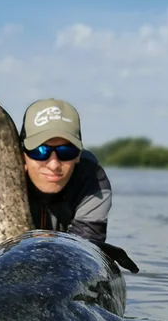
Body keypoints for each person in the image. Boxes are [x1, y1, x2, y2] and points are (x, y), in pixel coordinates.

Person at [18, 98, 113, 244]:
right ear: (22, 154)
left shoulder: (93, 181)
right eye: (40, 151)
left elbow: (82, 252)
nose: (54, 164)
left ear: (78, 154)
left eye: (66, 151)